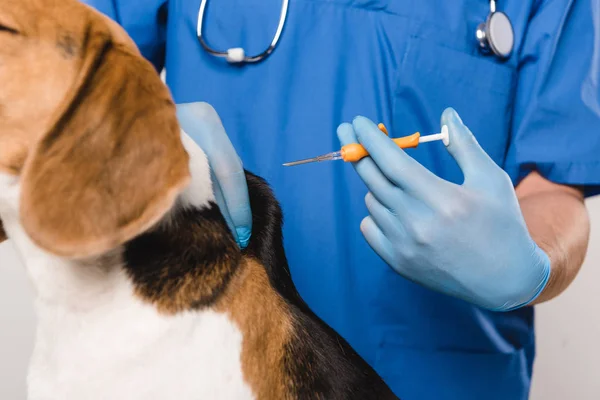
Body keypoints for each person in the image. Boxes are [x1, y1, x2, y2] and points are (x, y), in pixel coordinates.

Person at [82, 0, 600, 398]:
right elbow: (63, 74)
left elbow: (554, 187)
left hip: (434, 379)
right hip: (203, 365)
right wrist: (133, 132)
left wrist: (528, 264)